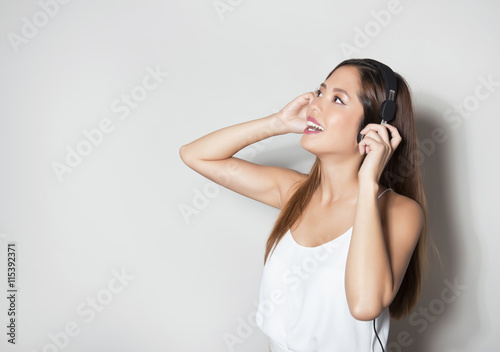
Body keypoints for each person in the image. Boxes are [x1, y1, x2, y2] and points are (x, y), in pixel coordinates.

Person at [179, 58, 428, 352]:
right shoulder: (294, 192)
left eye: (338, 99)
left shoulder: (400, 212)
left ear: (376, 126)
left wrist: (367, 182)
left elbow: (364, 306)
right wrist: (277, 123)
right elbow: (195, 155)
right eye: (320, 92)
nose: (316, 105)